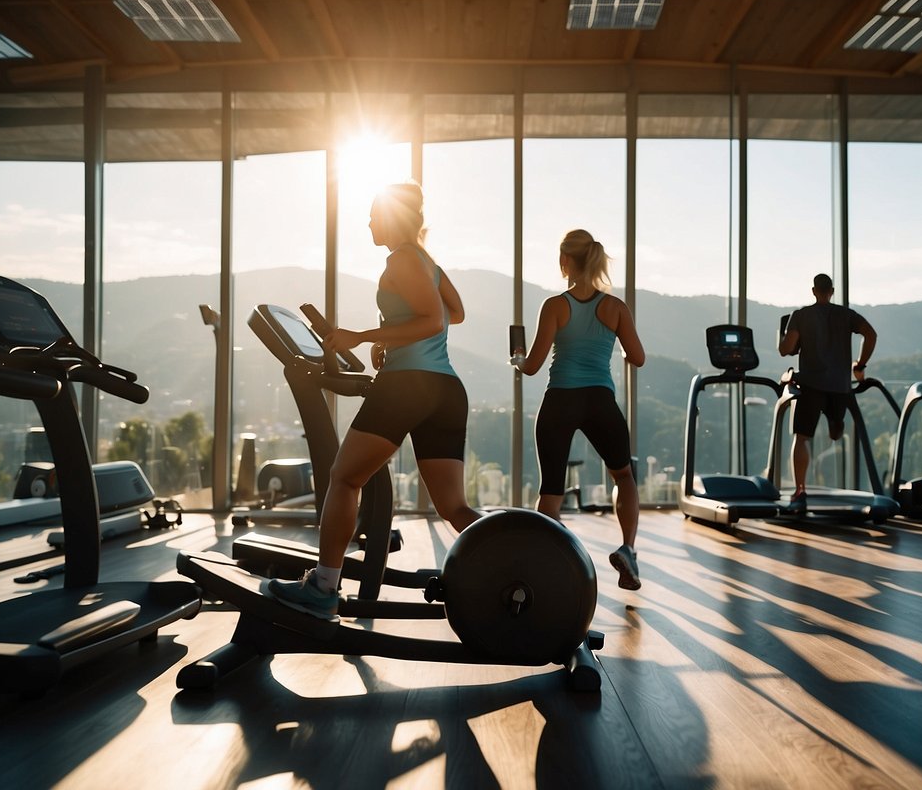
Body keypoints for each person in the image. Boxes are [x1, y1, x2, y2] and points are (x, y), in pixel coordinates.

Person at [267, 181, 480, 619]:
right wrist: (393, 337)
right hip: (444, 388)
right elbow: (453, 313)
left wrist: (364, 336)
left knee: (344, 479)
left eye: (373, 214)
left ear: (391, 218)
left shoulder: (402, 259)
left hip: (407, 385)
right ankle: (527, 554)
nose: (367, 221)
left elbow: (432, 319)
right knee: (453, 507)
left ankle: (324, 587)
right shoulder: (425, 260)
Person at [513, 229, 646, 590]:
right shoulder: (615, 308)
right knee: (623, 476)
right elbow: (638, 357)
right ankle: (629, 550)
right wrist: (612, 342)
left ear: (565, 261)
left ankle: (543, 572)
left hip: (560, 400)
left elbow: (534, 365)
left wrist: (517, 358)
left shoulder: (555, 306)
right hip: (599, 400)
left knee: (551, 492)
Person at [777, 273, 877, 513]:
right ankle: (835, 423)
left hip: (810, 384)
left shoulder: (800, 315)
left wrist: (782, 338)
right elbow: (871, 334)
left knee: (802, 437)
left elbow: (786, 349)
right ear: (832, 291)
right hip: (840, 386)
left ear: (813, 291)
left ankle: (800, 491)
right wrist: (860, 364)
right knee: (835, 431)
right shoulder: (846, 315)